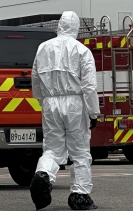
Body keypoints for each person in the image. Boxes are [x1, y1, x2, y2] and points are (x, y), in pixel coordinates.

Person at [30, 11, 100, 211]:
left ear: (59, 26)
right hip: (75, 103)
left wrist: (43, 101)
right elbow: (89, 87)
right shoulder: (81, 50)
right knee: (79, 151)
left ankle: (43, 173)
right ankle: (79, 195)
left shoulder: (43, 48)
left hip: (50, 102)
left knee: (52, 148)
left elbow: (35, 80)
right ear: (76, 28)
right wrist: (93, 113)